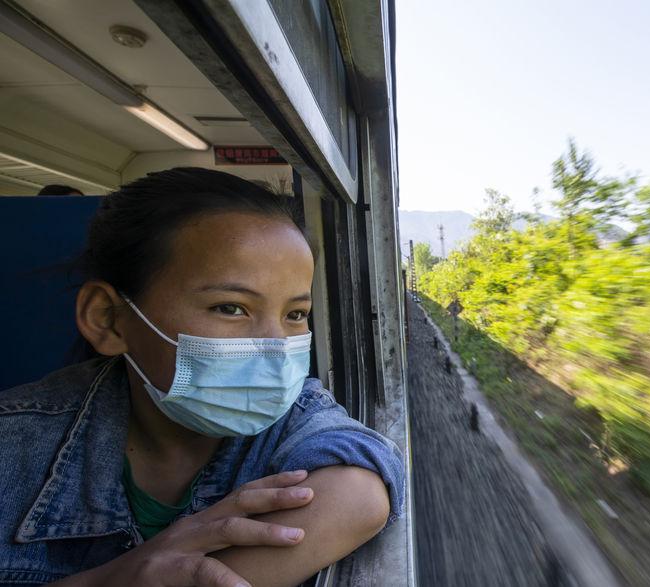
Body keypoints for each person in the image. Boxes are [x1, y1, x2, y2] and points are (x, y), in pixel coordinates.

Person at [0, 168, 405, 587]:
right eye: (230, 307)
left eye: (295, 314)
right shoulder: (13, 445)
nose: (274, 345)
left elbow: (360, 491)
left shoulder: (295, 417)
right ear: (109, 319)